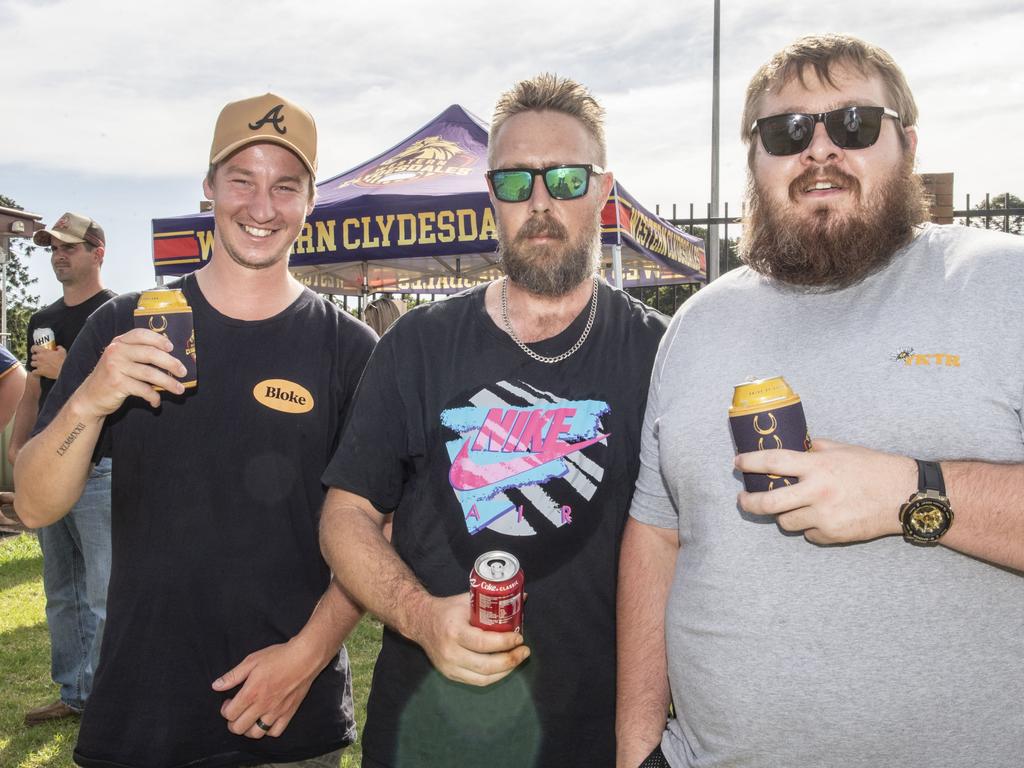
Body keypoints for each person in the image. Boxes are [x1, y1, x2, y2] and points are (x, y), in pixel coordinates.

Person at [617, 34, 1024, 768]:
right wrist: (637, 743)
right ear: (755, 160)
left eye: (855, 124)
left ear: (908, 143)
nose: (821, 149)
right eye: (788, 131)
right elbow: (656, 536)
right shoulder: (697, 325)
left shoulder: (1002, 285)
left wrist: (916, 491)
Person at [15, 93, 377, 767]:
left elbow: (379, 530)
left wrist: (307, 656)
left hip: (286, 718)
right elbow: (35, 503)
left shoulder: (346, 349)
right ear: (209, 188)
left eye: (285, 186)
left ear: (310, 201)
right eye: (241, 180)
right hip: (143, 713)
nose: (261, 206)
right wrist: (90, 400)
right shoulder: (127, 325)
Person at [319, 73, 668, 767]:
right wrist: (423, 618)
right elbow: (345, 516)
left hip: (594, 736)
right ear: (492, 197)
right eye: (515, 182)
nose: (540, 203)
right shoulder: (418, 344)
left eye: (565, 179)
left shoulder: (662, 354)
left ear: (603, 189)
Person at [7, 212, 116, 726]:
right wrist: (18, 446)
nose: (58, 255)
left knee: (102, 593)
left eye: (70, 247)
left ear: (98, 251)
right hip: (50, 471)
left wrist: (69, 366)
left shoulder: (119, 312)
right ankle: (74, 692)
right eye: (52, 247)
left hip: (101, 470)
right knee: (61, 593)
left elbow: (133, 391)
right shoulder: (40, 318)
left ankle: (106, 699)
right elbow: (33, 387)